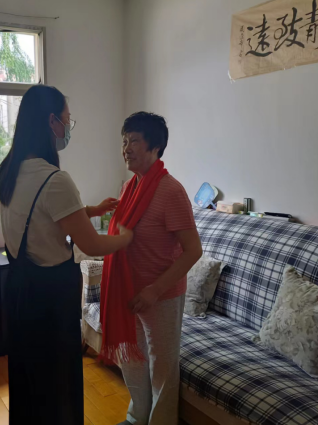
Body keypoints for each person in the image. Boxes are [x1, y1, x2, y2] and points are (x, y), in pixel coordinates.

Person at [0, 84, 133, 425]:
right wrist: (126, 238)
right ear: (51, 122)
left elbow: (41, 217)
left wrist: (90, 210)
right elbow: (93, 245)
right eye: (67, 120)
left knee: (29, 379)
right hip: (50, 299)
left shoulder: (10, 169)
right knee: (57, 384)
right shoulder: (55, 179)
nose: (68, 129)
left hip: (19, 290)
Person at [99, 112, 202, 425]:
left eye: (134, 141)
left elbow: (193, 251)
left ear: (155, 146)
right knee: (133, 359)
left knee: (162, 367)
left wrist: (154, 290)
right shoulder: (130, 188)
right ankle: (137, 417)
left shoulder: (171, 191)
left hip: (161, 294)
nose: (126, 148)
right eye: (124, 141)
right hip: (129, 291)